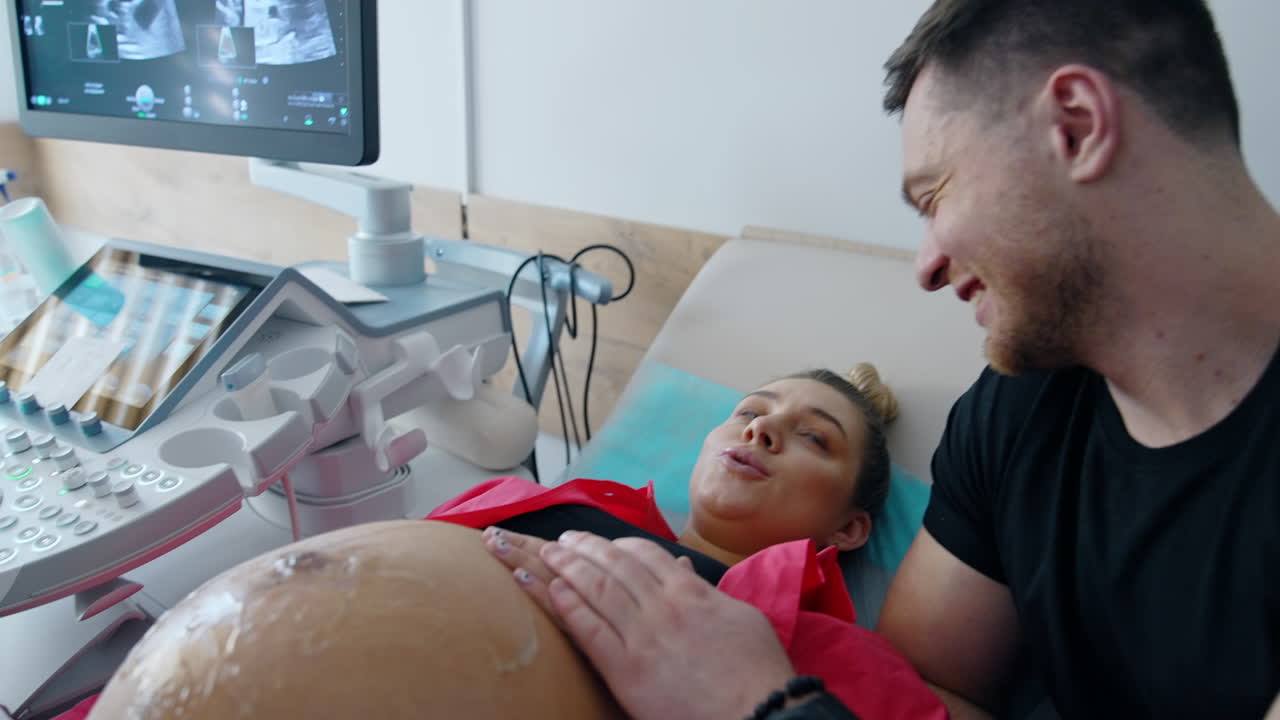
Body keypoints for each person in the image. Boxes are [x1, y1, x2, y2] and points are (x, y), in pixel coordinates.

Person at [489, 1, 1280, 718]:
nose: (927, 265)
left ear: (1073, 127)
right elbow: (925, 695)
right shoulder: (1018, 408)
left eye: (935, 198)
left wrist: (755, 704)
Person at [74, 366, 945, 720]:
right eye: (752, 413)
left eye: (812, 437)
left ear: (851, 528)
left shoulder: (830, 665)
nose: (761, 433)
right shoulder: (540, 495)